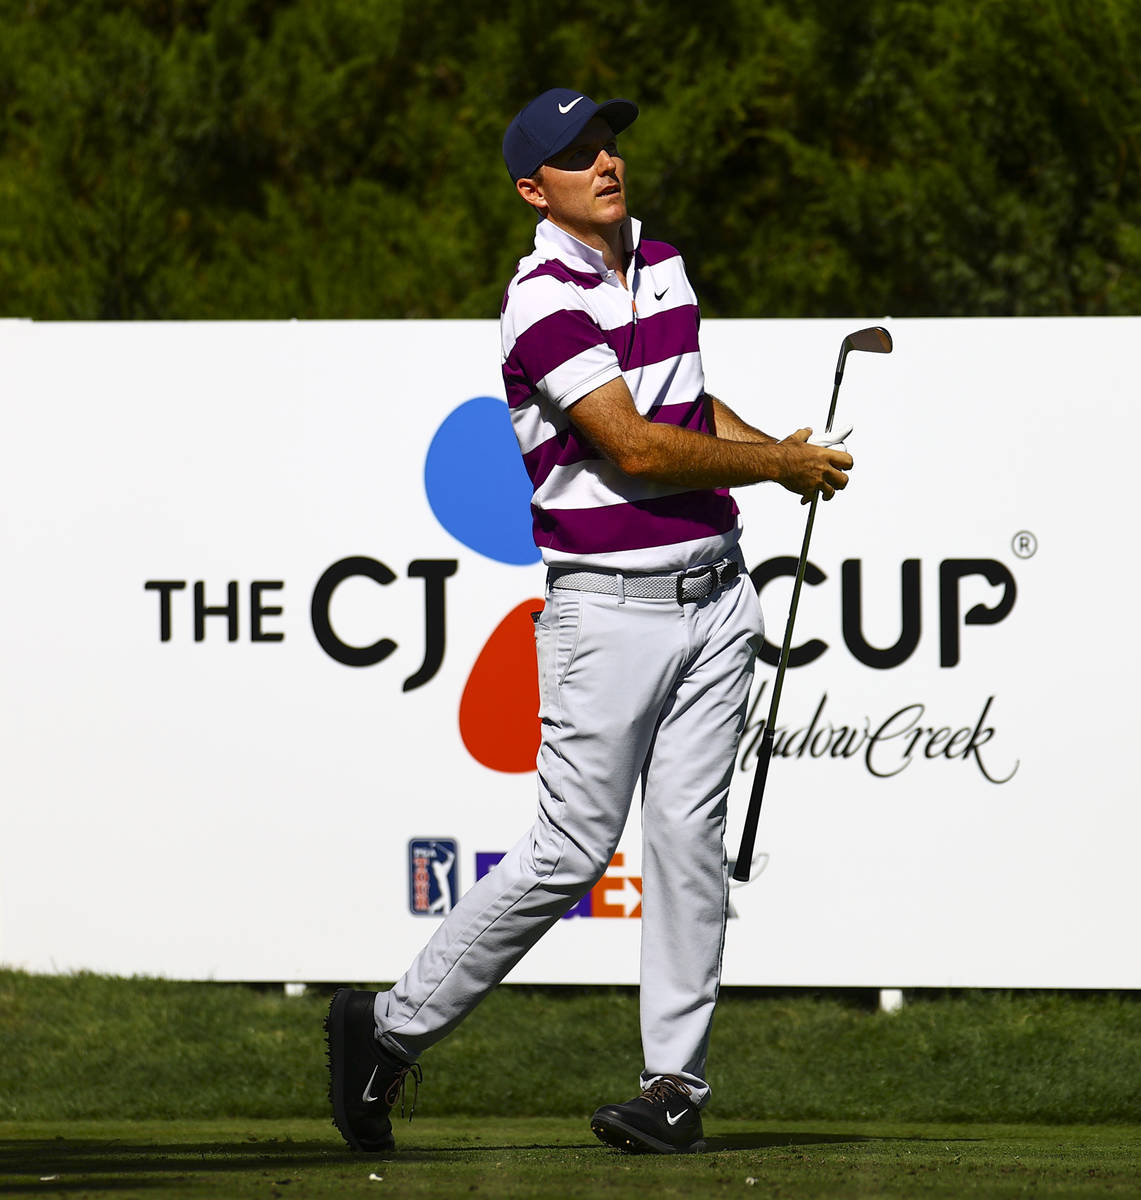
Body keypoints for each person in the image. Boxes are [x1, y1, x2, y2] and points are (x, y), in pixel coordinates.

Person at [325, 87, 854, 1157]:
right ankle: (386, 1030)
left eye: (607, 144)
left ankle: (673, 1088)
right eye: (577, 155)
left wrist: (773, 451)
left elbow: (685, 408)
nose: (605, 162)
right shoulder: (541, 297)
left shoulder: (660, 261)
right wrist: (776, 464)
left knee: (687, 844)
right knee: (568, 854)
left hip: (716, 597)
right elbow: (634, 447)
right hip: (606, 616)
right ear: (534, 189)